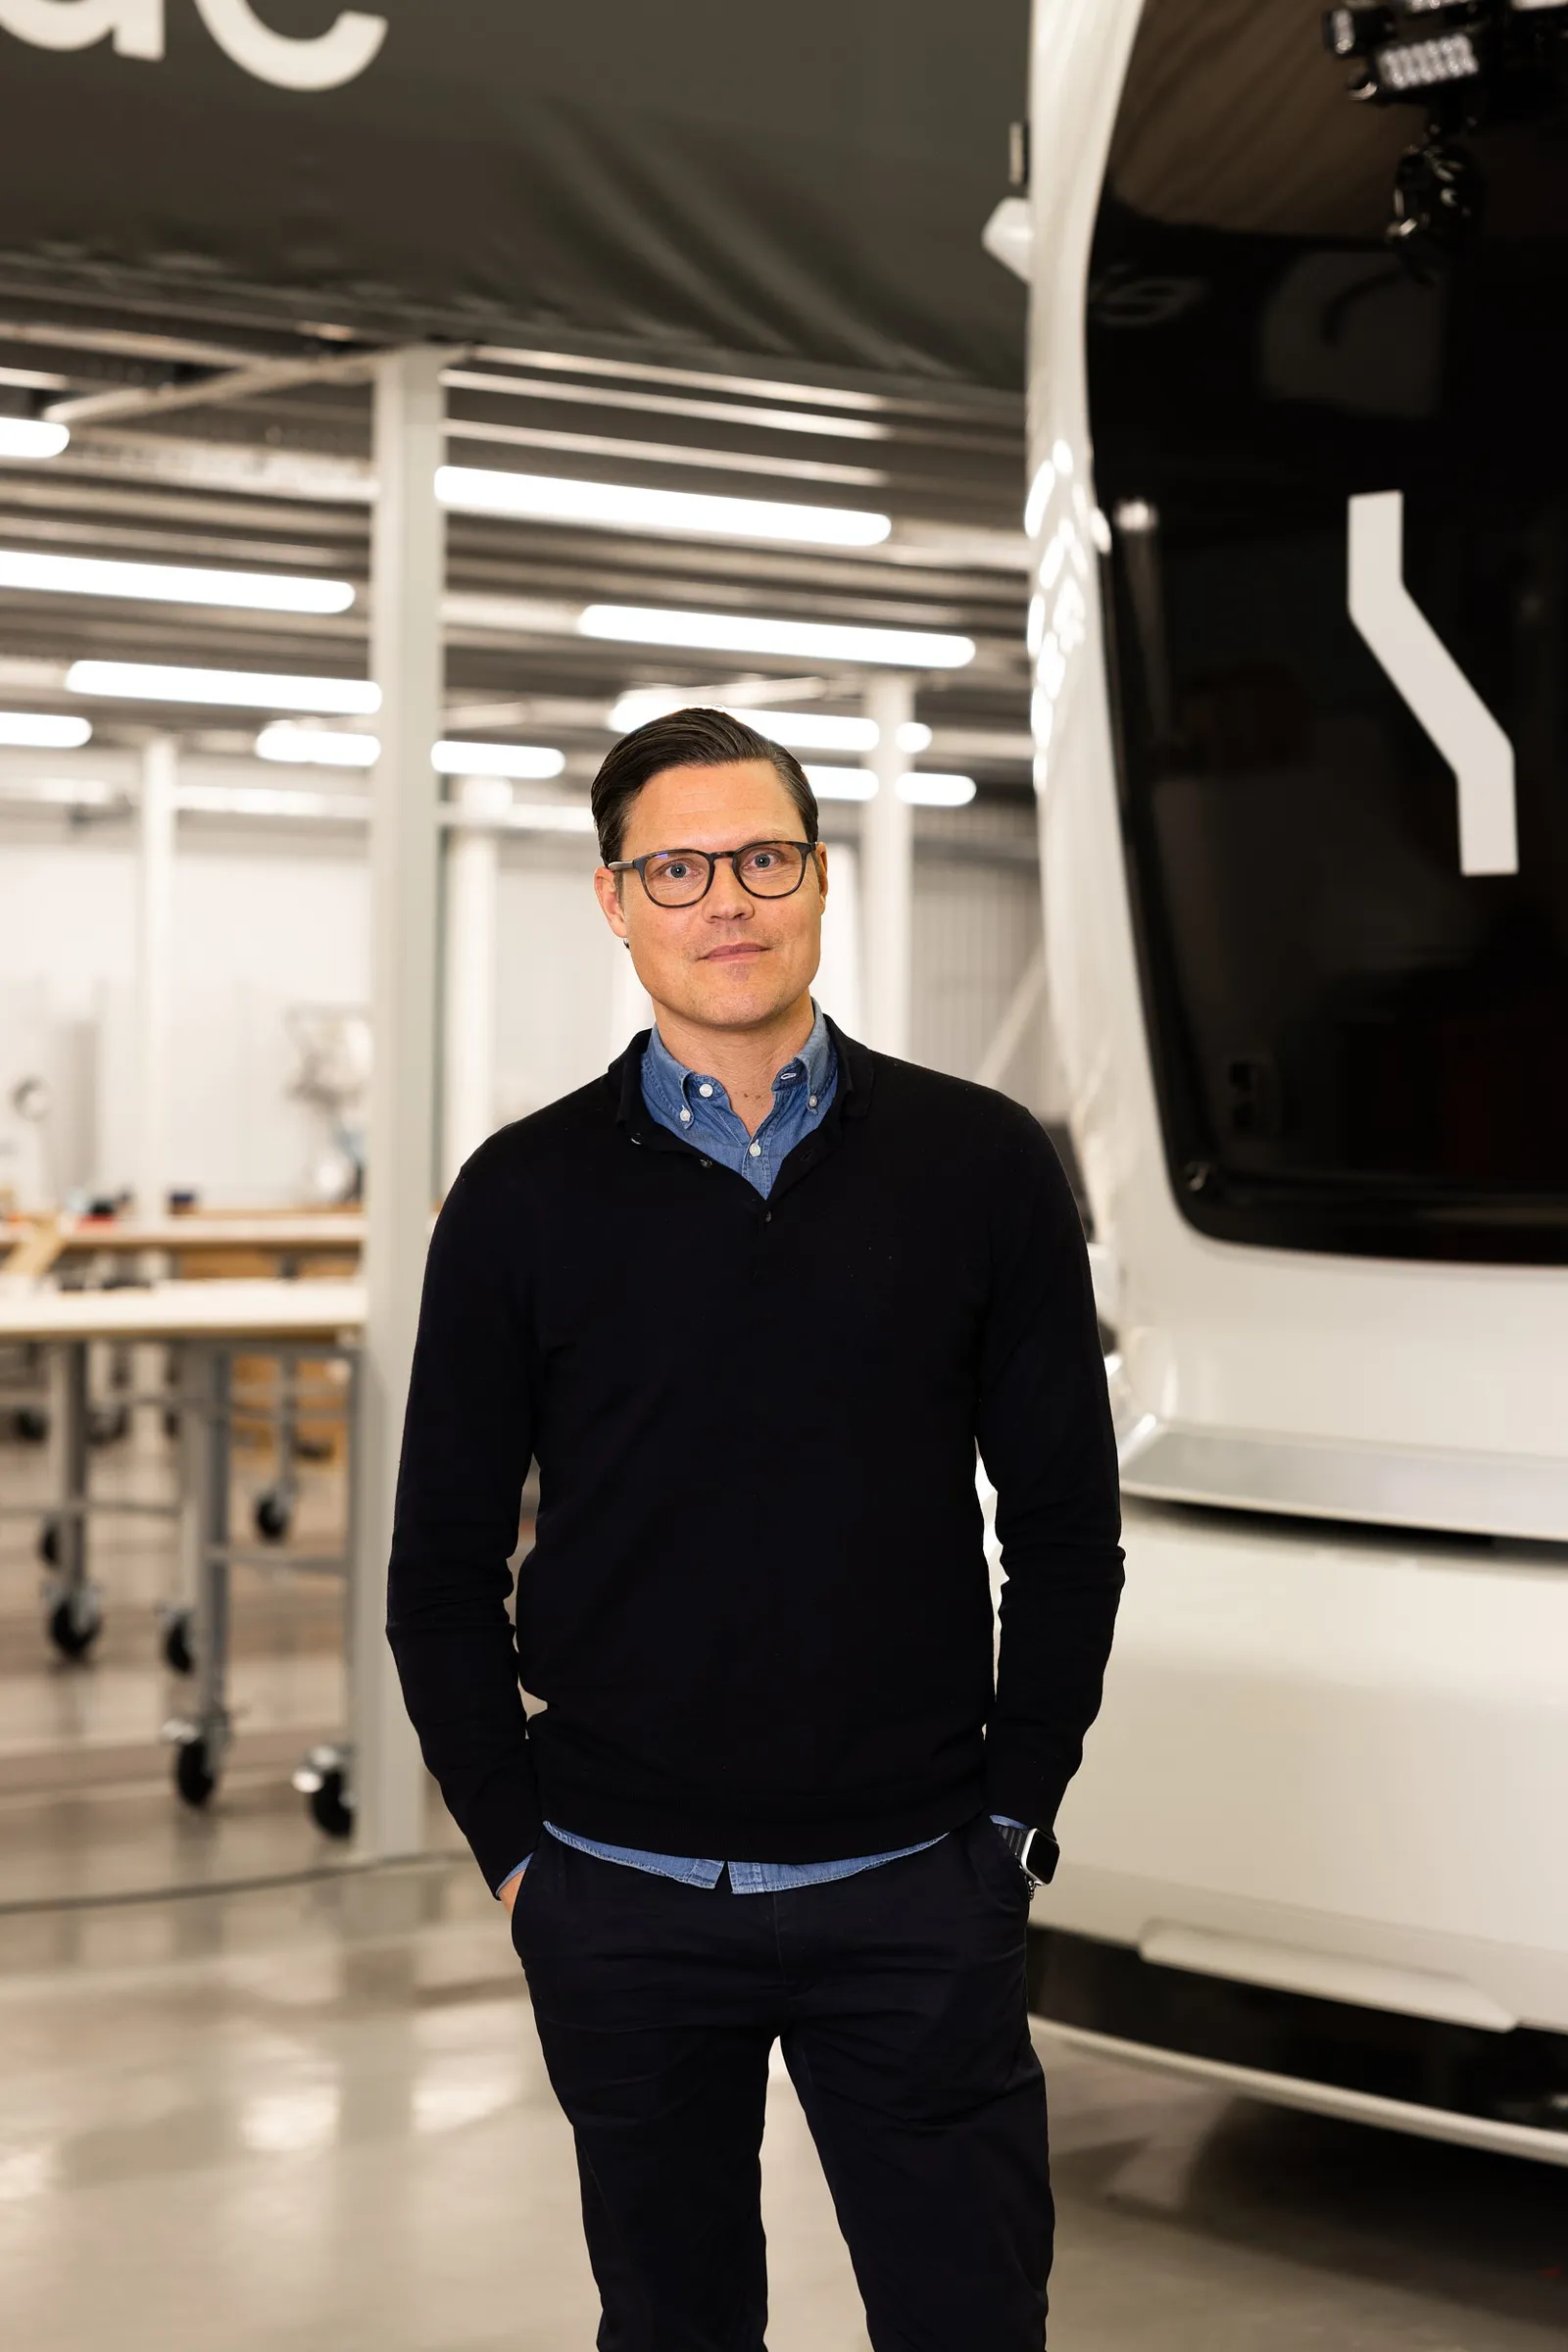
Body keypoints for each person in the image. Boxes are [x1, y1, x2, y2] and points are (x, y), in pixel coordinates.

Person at [388, 707, 1124, 2351]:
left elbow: (1069, 1532)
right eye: (677, 866)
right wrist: (522, 1857)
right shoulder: (520, 1198)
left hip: (917, 1895)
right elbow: (435, 1575)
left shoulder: (981, 1168)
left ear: (816, 880)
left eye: (762, 858)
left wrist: (1009, 1826)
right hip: (623, 1900)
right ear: (615, 899)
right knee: (673, 2329)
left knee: (971, 2326)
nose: (725, 898)